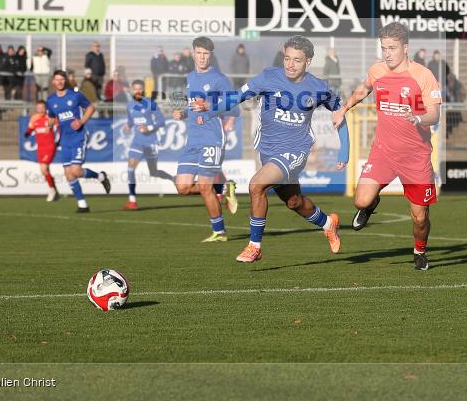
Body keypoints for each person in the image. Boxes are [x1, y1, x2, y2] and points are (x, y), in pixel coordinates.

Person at [198, 35, 348, 263]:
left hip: (296, 150)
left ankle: (254, 246)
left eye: (297, 60)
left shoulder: (318, 87)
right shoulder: (269, 77)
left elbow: (340, 113)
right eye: (287, 58)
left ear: (308, 61)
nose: (290, 64)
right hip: (269, 150)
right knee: (294, 202)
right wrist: (210, 109)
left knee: (256, 186)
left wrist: (344, 148)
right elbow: (238, 96)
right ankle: (328, 223)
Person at [332, 22, 443, 271]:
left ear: (406, 47)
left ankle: (420, 251)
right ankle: (371, 206)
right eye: (384, 48)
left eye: (392, 48)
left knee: (420, 217)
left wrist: (419, 117)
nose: (387, 53)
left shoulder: (423, 75)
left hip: (415, 157)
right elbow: (364, 88)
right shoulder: (377, 70)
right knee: (361, 200)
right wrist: (343, 108)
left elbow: (434, 115)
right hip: (383, 151)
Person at [172, 37, 240, 242]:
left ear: (210, 55)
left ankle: (219, 232)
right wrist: (183, 113)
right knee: (182, 187)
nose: (202, 57)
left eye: (206, 54)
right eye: (199, 53)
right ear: (193, 53)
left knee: (203, 186)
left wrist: (209, 107)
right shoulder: (191, 77)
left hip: (211, 138)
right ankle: (224, 188)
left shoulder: (219, 79)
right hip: (192, 140)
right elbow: (193, 105)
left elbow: (235, 107)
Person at [46, 69, 111, 213]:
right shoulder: (51, 100)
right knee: (69, 174)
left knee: (75, 170)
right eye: (57, 79)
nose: (59, 82)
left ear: (65, 81)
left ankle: (100, 176)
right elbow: (51, 116)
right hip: (64, 140)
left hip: (78, 136)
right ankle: (83, 205)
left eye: (62, 79)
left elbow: (91, 107)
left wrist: (81, 121)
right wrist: (50, 124)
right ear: (53, 82)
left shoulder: (75, 95)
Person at [121, 79, 175, 210]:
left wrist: (149, 128)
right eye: (135, 89)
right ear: (132, 90)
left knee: (154, 172)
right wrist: (127, 126)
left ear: (144, 90)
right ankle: (132, 201)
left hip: (151, 141)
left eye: (140, 89)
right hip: (137, 142)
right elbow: (130, 120)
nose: (138, 91)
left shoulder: (151, 103)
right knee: (130, 168)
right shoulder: (129, 105)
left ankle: (172, 178)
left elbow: (162, 121)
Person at [24, 100, 60, 202]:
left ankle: (52, 191)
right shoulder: (34, 118)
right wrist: (27, 133)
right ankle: (55, 191)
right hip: (40, 148)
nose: (40, 110)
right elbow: (30, 128)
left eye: (42, 108)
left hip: (50, 146)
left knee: (44, 168)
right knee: (44, 170)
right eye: (38, 108)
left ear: (46, 108)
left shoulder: (50, 117)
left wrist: (58, 140)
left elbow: (58, 127)